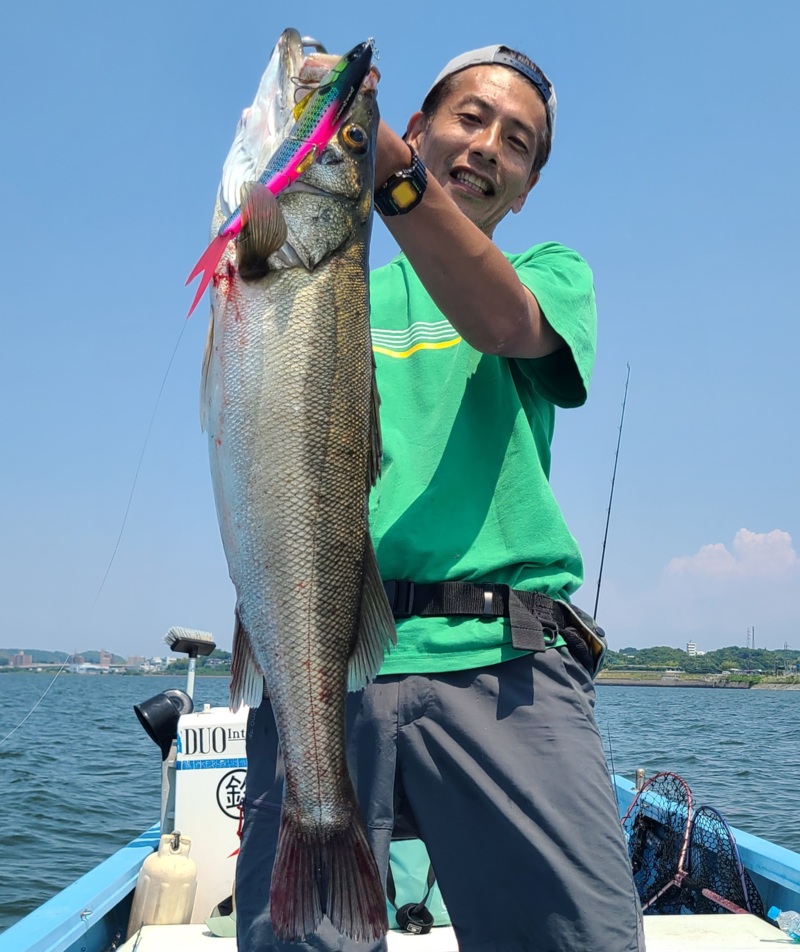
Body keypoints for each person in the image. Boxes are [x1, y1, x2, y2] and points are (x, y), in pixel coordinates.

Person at [236, 44, 644, 952]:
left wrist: (388, 176)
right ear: (417, 128)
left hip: (506, 665)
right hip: (324, 660)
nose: (490, 145)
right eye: (470, 118)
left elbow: (502, 322)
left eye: (519, 142)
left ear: (528, 187)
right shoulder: (327, 275)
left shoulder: (549, 273)